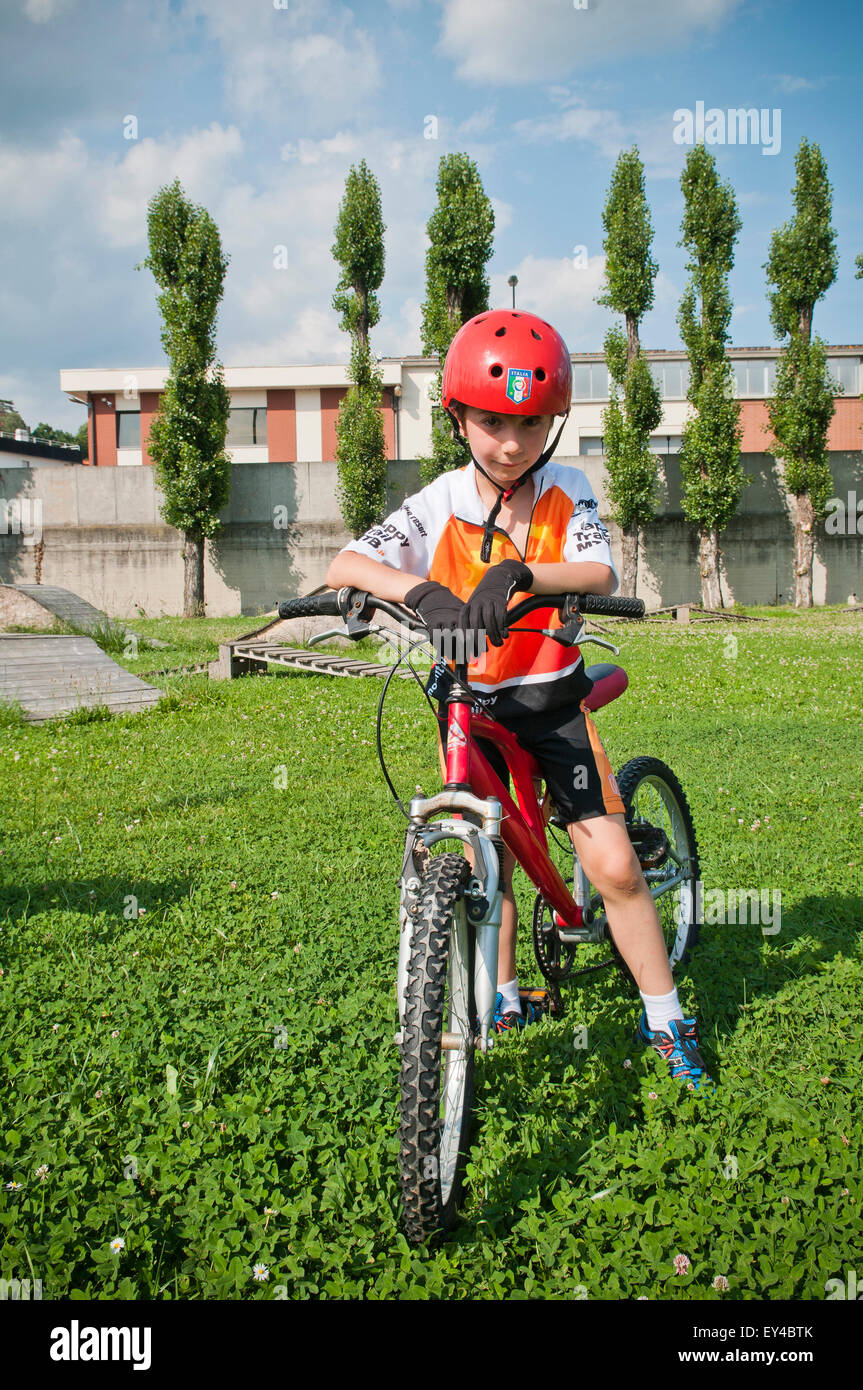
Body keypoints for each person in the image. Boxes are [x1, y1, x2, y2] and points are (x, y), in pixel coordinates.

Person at [325, 308, 713, 1090]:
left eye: (531, 424)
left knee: (610, 866)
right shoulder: (437, 501)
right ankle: (502, 999)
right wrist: (423, 591)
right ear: (459, 417)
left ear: (553, 423)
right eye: (494, 422)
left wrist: (524, 576)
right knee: (483, 857)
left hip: (551, 707)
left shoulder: (567, 488)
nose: (512, 443)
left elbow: (597, 574)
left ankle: (666, 1016)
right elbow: (347, 562)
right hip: (468, 703)